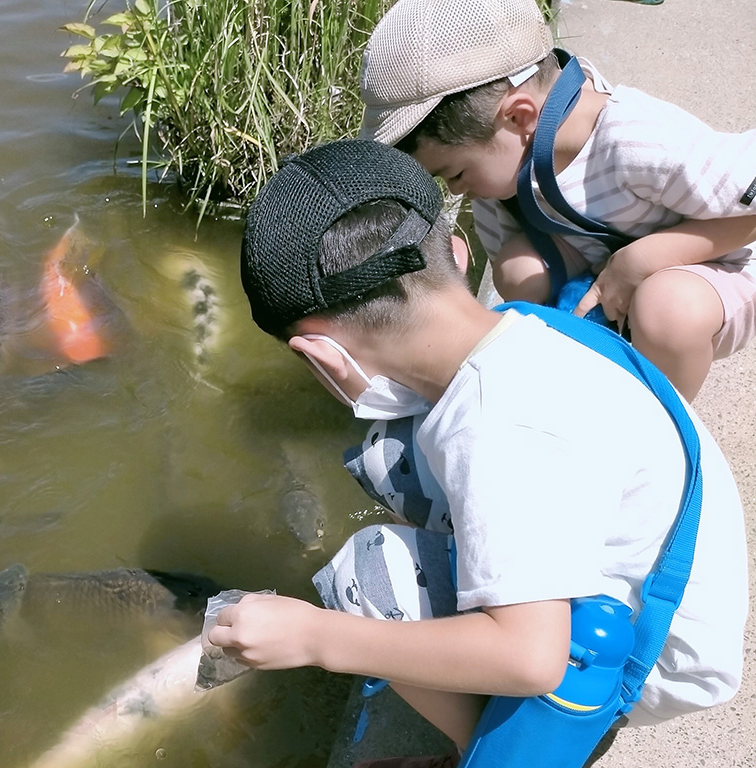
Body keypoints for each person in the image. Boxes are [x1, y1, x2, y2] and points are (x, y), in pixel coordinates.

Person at [207, 138, 748, 768]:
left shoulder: (498, 424)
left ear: (320, 356)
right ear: (457, 254)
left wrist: (315, 637)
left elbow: (530, 658)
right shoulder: (528, 328)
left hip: (649, 655)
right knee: (396, 457)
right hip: (667, 574)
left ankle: (483, 750)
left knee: (368, 570)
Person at [357, 0, 756, 401]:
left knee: (667, 308)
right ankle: (588, 370)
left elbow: (749, 209)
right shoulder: (502, 183)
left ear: (518, 117)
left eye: (456, 174)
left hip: (716, 268)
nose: (457, 191)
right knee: (517, 269)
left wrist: (641, 261)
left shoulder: (636, 139)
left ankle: (662, 425)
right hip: (606, 278)